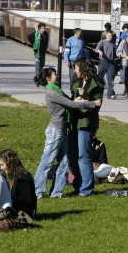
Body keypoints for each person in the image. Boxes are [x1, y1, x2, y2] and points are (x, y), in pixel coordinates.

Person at [33, 67, 101, 199]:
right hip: (56, 131)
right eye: (54, 74)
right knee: (47, 161)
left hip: (63, 129)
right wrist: (93, 103)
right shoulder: (52, 92)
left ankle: (57, 192)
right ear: (48, 78)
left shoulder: (56, 90)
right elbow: (71, 105)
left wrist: (80, 97)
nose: (57, 76)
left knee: (64, 161)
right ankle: (37, 191)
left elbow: (70, 101)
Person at [69, 59, 104, 197]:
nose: (75, 70)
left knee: (84, 155)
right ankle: (78, 185)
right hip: (74, 121)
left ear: (83, 68)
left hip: (86, 123)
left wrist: (85, 97)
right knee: (73, 155)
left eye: (76, 67)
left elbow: (98, 104)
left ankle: (86, 189)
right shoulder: (76, 82)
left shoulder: (96, 84)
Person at [0, 149, 37, 219]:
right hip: (19, 211)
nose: (1, 168)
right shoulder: (15, 176)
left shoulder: (21, 177)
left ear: (9, 162)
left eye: (2, 165)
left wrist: (8, 197)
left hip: (26, 214)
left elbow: (26, 199)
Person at [95, 31, 118, 99]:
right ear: (106, 36)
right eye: (109, 36)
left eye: (111, 36)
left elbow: (115, 55)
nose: (110, 37)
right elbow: (96, 49)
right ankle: (96, 93)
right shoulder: (102, 42)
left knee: (110, 79)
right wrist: (99, 51)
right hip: (103, 61)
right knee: (99, 78)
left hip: (111, 63)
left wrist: (117, 58)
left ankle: (110, 94)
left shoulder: (113, 44)